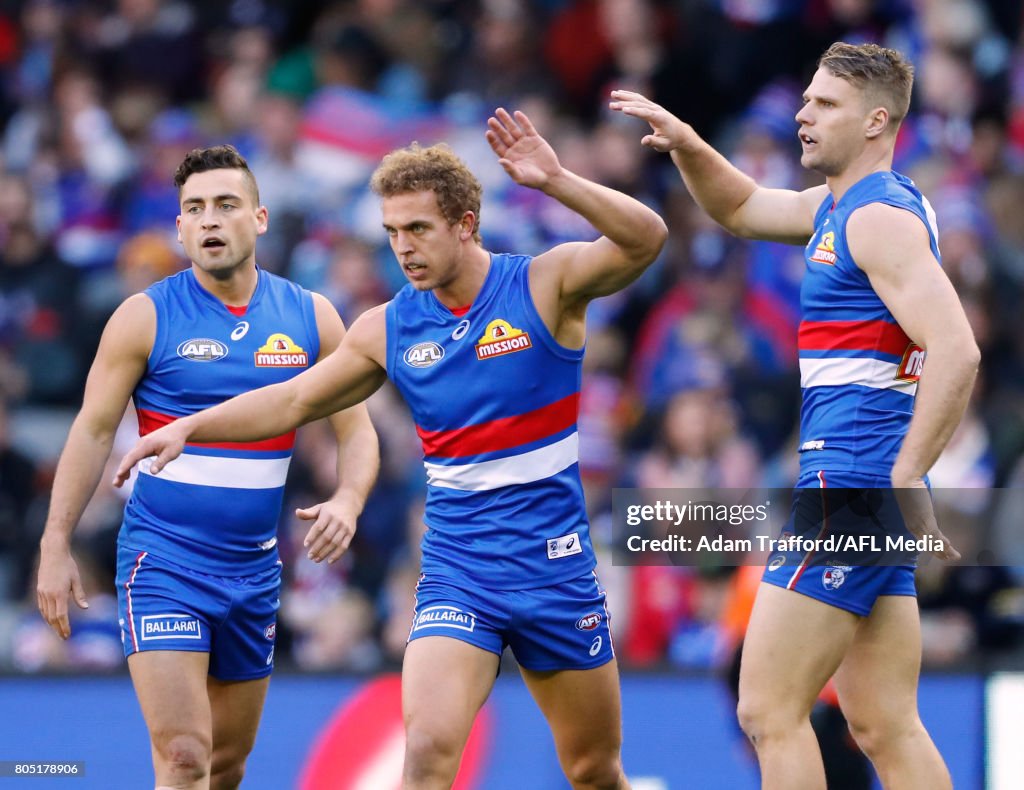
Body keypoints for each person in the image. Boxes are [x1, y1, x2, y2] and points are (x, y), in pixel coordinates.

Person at [116, 110, 668, 789]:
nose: (401, 248)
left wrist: (555, 181)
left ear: (465, 224)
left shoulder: (544, 286)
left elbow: (647, 239)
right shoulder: (389, 327)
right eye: (391, 233)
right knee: (429, 751)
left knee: (593, 770)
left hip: (556, 568)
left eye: (417, 229)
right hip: (458, 571)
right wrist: (189, 426)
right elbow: (293, 400)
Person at [611, 42, 979, 790]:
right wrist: (688, 145)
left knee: (766, 710)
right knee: (882, 723)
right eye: (807, 100)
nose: (804, 116)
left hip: (849, 488)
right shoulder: (848, 206)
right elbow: (741, 207)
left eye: (825, 105)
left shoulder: (877, 220)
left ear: (877, 121)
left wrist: (906, 473)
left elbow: (959, 350)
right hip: (860, 491)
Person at [36, 145, 379, 790]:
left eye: (225, 205)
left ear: (260, 218)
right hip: (163, 564)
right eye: (194, 209)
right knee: (185, 755)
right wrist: (55, 543)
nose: (209, 220)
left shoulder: (311, 317)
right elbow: (91, 431)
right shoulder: (144, 316)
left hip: (253, 570)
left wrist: (349, 499)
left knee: (226, 764)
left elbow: (356, 431)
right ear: (179, 227)